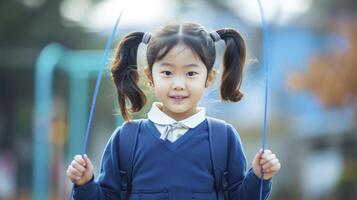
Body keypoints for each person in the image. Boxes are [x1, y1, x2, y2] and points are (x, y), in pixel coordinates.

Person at [66, 21, 281, 200]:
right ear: (150, 76)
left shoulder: (223, 138)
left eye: (190, 73)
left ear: (209, 77)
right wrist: (85, 184)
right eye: (167, 72)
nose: (178, 84)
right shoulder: (126, 139)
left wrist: (258, 177)